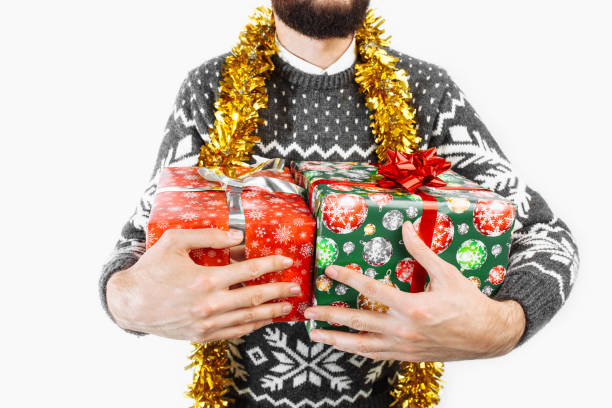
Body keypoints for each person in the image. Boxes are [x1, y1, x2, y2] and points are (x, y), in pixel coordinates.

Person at [99, 1, 579, 406]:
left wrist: (504, 324)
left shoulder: (425, 93)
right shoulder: (210, 90)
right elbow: (138, 244)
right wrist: (126, 301)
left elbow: (545, 233)